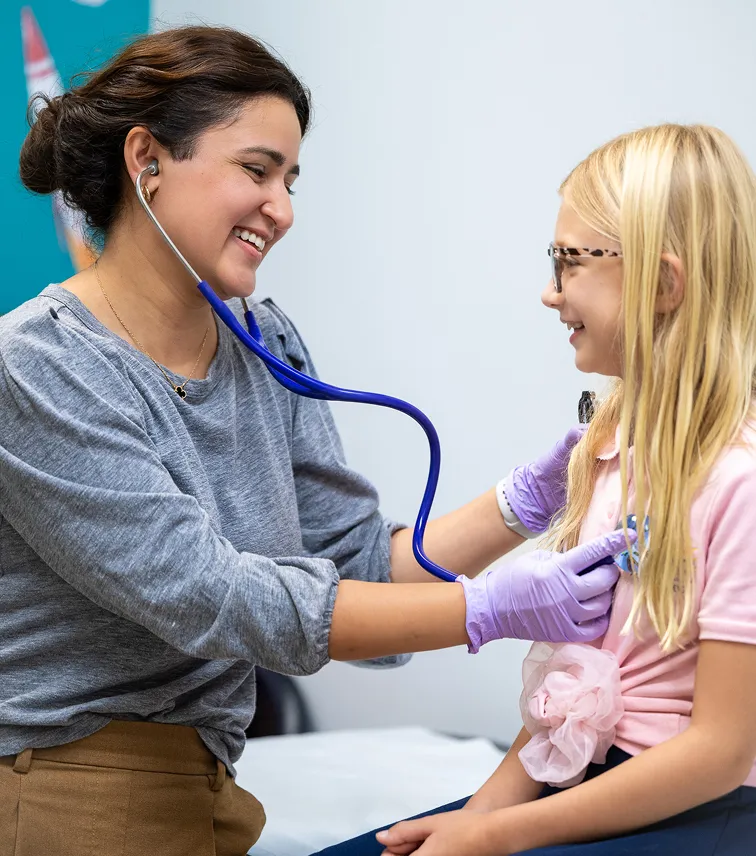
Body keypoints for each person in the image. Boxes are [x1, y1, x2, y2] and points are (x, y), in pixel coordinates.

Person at [0, 25, 626, 856]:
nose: (283, 211)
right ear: (145, 160)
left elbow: (360, 571)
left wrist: (524, 504)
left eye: (291, 180)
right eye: (257, 171)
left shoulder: (267, 344)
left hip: (213, 779)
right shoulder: (40, 365)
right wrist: (487, 611)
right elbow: (213, 596)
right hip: (73, 789)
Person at [320, 123, 756, 856]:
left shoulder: (739, 481)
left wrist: (499, 836)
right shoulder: (611, 451)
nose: (549, 294)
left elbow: (720, 750)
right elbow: (575, 682)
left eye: (569, 263)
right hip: (574, 778)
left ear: (662, 283)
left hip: (696, 806)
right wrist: (479, 818)